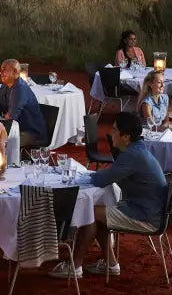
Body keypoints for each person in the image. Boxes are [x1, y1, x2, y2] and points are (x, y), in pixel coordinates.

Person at [52, 110, 166, 279]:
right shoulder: (137, 150)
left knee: (89, 212)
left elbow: (101, 180)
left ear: (126, 137)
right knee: (100, 212)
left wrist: (88, 175)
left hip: (145, 216)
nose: (110, 133)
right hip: (149, 209)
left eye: (114, 130)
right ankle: (111, 264)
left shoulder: (132, 156)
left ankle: (74, 266)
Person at [0, 59, 46, 148]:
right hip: (16, 128)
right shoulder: (5, 85)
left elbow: (11, 118)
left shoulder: (20, 89)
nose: (1, 72)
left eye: (4, 69)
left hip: (31, 132)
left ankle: (7, 161)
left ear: (14, 71)